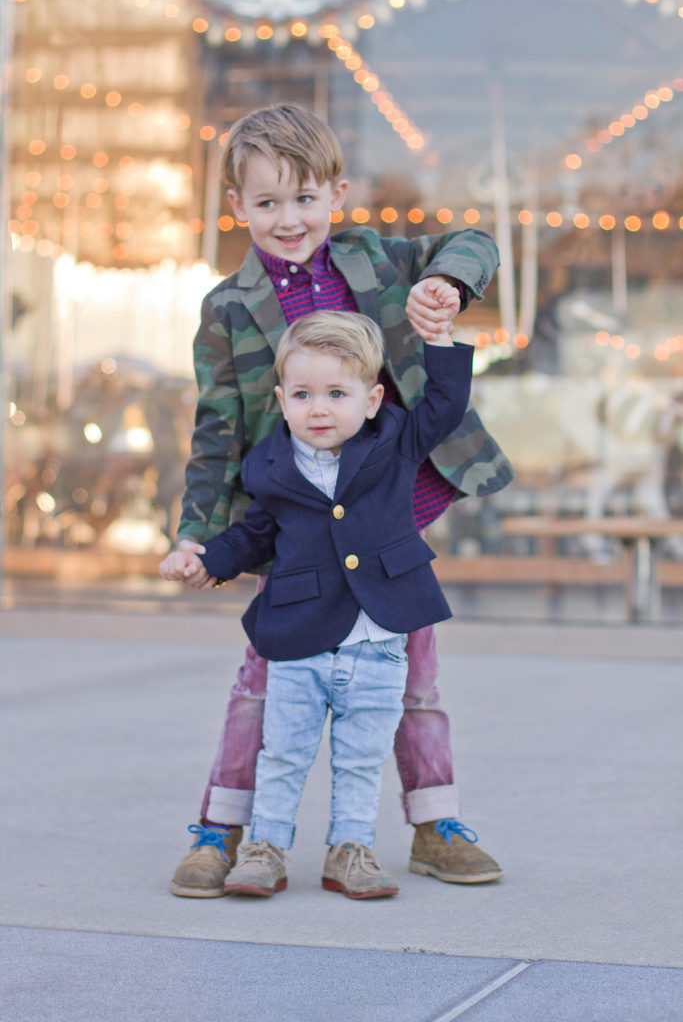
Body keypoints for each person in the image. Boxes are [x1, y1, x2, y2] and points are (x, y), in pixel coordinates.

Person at [167, 102, 514, 898]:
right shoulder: (227, 308)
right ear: (236, 208)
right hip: (292, 516)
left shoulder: (377, 259)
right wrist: (196, 534)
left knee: (410, 673)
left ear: (336, 192)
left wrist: (444, 282)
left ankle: (434, 824)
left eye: (303, 198)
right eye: (265, 203)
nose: (288, 219)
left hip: (392, 502)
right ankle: (220, 831)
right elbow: (218, 434)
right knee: (263, 677)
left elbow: (474, 242)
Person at [160, 310, 475, 897]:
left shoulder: (396, 441)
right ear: (281, 400)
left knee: (360, 758)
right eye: (303, 394)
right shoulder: (269, 464)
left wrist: (439, 340)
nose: (320, 409)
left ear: (373, 398)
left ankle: (350, 850)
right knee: (283, 753)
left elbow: (447, 403)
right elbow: (255, 534)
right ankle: (266, 847)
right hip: (299, 637)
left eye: (337, 393)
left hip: (379, 641)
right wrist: (207, 559)